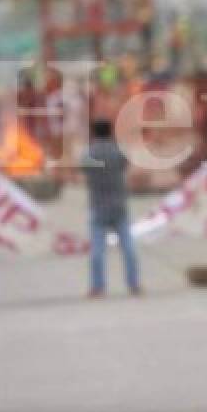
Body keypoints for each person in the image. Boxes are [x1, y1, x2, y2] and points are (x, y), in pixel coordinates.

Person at [80, 119, 141, 298]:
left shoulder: (89, 154)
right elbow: (125, 166)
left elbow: (83, 170)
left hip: (98, 205)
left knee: (97, 250)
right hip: (118, 205)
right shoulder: (117, 152)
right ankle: (133, 283)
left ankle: (98, 287)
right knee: (128, 247)